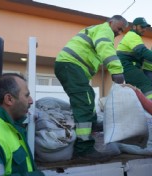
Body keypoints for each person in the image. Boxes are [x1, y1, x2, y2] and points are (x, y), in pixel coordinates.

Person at [54, 15, 128, 159]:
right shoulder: (104, 30)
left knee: (89, 96)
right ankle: (83, 149)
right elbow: (105, 47)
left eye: (122, 31)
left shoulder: (98, 30)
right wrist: (116, 70)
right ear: (110, 22)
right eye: (119, 28)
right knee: (84, 102)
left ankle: (92, 124)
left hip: (71, 66)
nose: (119, 32)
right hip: (71, 64)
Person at [117, 17, 152, 103]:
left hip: (127, 66)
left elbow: (142, 56)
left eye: (145, 27)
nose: (144, 29)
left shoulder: (134, 37)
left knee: (134, 90)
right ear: (134, 27)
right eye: (142, 27)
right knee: (145, 83)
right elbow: (143, 52)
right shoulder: (133, 36)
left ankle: (137, 109)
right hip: (127, 65)